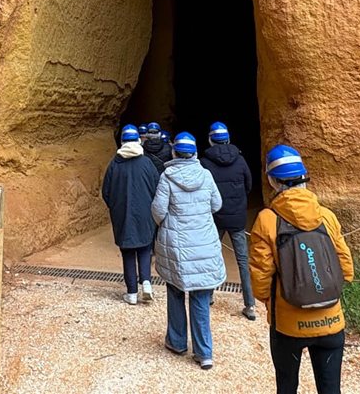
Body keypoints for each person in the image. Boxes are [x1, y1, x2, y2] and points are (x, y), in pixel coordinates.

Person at [249, 144, 354, 394]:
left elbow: (260, 277)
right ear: (305, 177)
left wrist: (269, 301)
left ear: (273, 181)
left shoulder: (266, 220)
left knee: (287, 387)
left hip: (288, 325)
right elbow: (346, 268)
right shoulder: (326, 216)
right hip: (331, 320)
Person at [152, 131, 226, 370]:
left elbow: (158, 210)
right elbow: (217, 204)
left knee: (175, 291)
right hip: (204, 243)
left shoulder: (167, 176)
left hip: (177, 247)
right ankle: (204, 353)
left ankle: (177, 342)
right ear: (194, 152)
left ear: (174, 152)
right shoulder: (205, 175)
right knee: (201, 298)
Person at [200, 121, 257, 320]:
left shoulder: (205, 162)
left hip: (215, 217)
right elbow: (249, 185)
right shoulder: (240, 161)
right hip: (238, 218)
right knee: (242, 260)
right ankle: (250, 305)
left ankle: (207, 297)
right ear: (228, 139)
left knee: (211, 256)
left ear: (210, 139)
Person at [101, 124, 161, 304]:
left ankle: (132, 293)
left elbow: (106, 192)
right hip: (145, 214)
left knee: (128, 253)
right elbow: (157, 187)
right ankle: (147, 282)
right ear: (137, 141)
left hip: (123, 215)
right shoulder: (147, 163)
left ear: (122, 142)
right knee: (145, 249)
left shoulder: (114, 164)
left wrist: (116, 208)